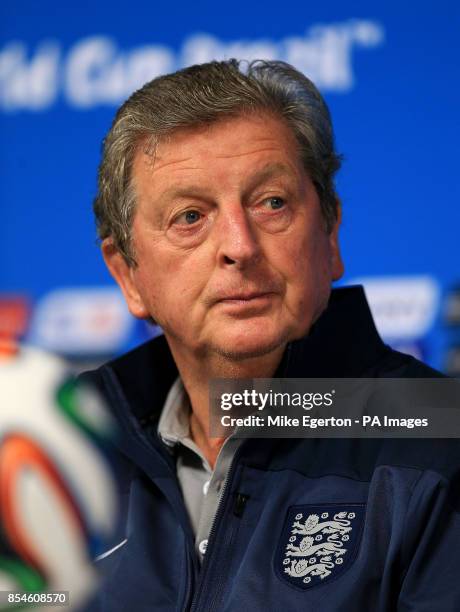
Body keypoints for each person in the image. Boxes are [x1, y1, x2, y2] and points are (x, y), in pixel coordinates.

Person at [82, 60, 460, 611]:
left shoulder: (441, 446)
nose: (240, 245)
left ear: (330, 233)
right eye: (190, 217)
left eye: (272, 203)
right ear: (127, 274)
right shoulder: (73, 454)